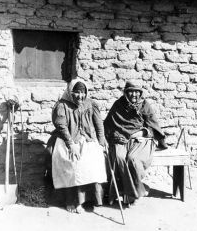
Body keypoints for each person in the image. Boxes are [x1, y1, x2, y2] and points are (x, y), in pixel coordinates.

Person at [104, 80, 168, 206]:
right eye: (131, 91)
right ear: (126, 93)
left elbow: (153, 128)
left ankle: (132, 195)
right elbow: (108, 125)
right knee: (119, 158)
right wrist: (115, 136)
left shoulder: (145, 105)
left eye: (137, 92)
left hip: (141, 139)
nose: (134, 95)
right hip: (121, 139)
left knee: (133, 159)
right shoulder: (118, 104)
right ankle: (121, 192)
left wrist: (138, 133)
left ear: (140, 93)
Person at [50, 79, 107, 213]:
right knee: (73, 163)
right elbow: (61, 126)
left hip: (88, 139)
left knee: (94, 162)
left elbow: (99, 125)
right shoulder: (62, 105)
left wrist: (102, 141)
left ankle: (90, 199)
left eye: (83, 93)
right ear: (70, 92)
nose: (80, 96)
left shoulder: (91, 104)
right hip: (67, 139)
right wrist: (71, 144)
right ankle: (73, 201)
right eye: (76, 92)